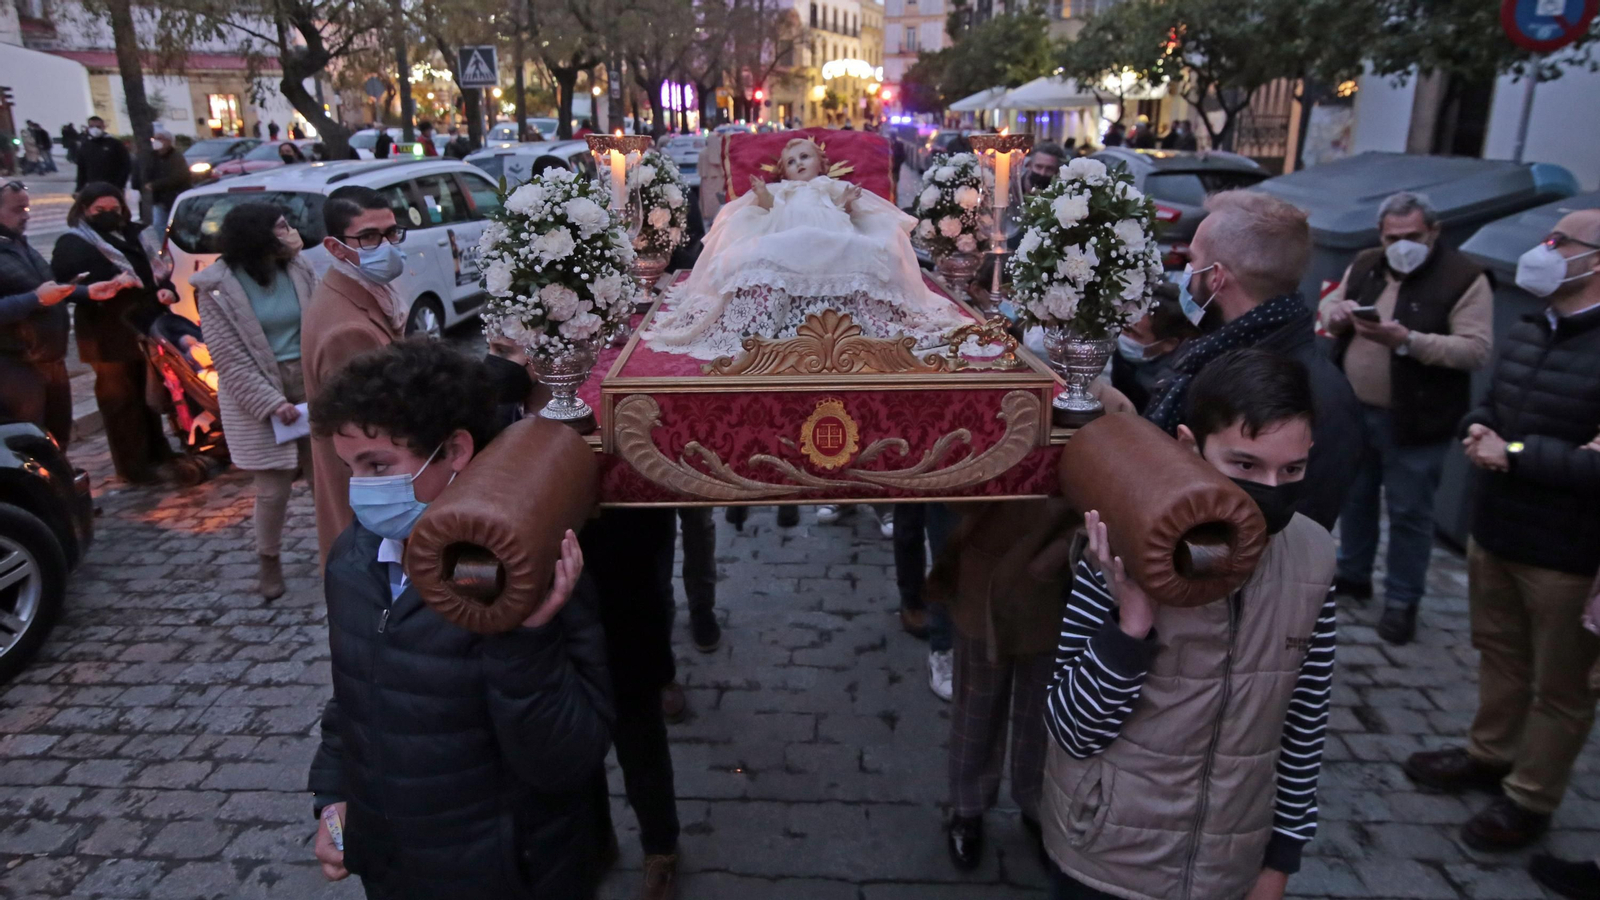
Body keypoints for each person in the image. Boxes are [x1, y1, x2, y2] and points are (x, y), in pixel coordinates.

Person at [306, 340, 612, 899]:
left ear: (455, 451)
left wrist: (527, 638)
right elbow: (354, 695)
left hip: (507, 872)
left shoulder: (522, 564)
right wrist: (334, 802)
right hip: (397, 870)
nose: (360, 490)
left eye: (377, 466)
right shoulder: (354, 558)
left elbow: (567, 762)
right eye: (349, 468)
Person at [1044, 348, 1336, 900]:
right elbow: (1070, 727)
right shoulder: (1123, 548)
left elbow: (1304, 726)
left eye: (1292, 470)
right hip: (1109, 860)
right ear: (1188, 447)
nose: (1272, 488)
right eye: (1245, 466)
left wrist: (1279, 862)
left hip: (1227, 868)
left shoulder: (1313, 558)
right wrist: (1130, 627)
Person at [1402, 208, 1600, 852]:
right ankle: (1489, 755)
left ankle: (1530, 798)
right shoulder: (1530, 326)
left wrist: (1513, 453)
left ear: (1594, 261)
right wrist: (1480, 429)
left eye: (1559, 241)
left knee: (1561, 686)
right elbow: (1492, 402)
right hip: (1498, 528)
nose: (1544, 251)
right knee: (1501, 655)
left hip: (1566, 550)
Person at [1319, 191, 1492, 643]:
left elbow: (1475, 349)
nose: (1402, 245)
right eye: (1393, 236)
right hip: (1356, 408)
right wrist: (1335, 313)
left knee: (1409, 511)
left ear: (1432, 232)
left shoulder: (1464, 277)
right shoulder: (1367, 263)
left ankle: (1402, 600)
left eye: (1412, 235)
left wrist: (1408, 340)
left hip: (1418, 416)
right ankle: (1354, 574)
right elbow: (1330, 304)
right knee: (1355, 498)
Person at [1143, 189, 1363, 531]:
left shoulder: (1315, 394)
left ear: (1216, 277)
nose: (1186, 272)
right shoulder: (1209, 351)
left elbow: (1295, 540)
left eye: (1193, 260)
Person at [645, 137, 970, 360]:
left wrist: (846, 202)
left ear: (821, 162)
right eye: (791, 161)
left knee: (855, 247)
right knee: (770, 248)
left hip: (833, 236)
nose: (799, 164)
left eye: (805, 157)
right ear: (783, 171)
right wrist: (763, 195)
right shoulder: (783, 191)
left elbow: (847, 213)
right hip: (788, 236)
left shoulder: (831, 187)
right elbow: (768, 210)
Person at [931, 499, 1075, 870]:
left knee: (1041, 709)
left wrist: (1063, 550)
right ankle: (968, 806)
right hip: (985, 561)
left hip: (1057, 568)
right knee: (976, 704)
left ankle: (1036, 803)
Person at [192, 202, 316, 600]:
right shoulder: (216, 287)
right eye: (281, 226)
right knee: (273, 489)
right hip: (261, 388)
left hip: (309, 382)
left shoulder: (297, 267)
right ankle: (269, 561)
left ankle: (342, 552)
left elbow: (318, 321)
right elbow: (228, 356)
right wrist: (269, 401)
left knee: (328, 479)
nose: (289, 231)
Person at [580, 508, 685, 900]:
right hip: (555, 586)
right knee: (571, 737)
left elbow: (652, 521)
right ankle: (596, 838)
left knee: (640, 736)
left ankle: (661, 847)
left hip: (625, 586)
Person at [302, 186, 409, 561]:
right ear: (335, 247)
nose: (386, 245)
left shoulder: (364, 291)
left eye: (391, 232)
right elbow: (372, 434)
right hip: (371, 503)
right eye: (369, 237)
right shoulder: (347, 329)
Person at [51, 183, 176, 483]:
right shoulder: (74, 242)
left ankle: (159, 452)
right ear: (84, 210)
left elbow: (157, 273)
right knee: (121, 401)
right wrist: (99, 289)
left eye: (114, 209)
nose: (109, 215)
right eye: (100, 211)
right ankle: (134, 466)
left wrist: (166, 291)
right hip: (106, 332)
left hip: (144, 325)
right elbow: (65, 288)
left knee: (148, 395)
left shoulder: (134, 233)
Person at [0, 181, 127, 443]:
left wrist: (85, 292)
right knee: (31, 443)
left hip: (49, 359)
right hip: (16, 366)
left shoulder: (17, 243)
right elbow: (34, 296)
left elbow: (46, 288)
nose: (26, 215)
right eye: (18, 209)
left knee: (57, 439)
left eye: (27, 207)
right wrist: (34, 299)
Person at [1109, 283, 1199, 414]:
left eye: (1130, 331)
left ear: (1168, 344)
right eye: (1120, 322)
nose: (1119, 333)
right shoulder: (1122, 360)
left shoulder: (1168, 391)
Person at [142, 129, 191, 238]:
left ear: (168, 141)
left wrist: (156, 185)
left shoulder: (176, 157)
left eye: (159, 139)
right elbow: (145, 172)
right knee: (158, 225)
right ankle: (165, 248)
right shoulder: (152, 156)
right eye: (154, 139)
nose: (156, 141)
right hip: (159, 198)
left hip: (175, 196)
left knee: (179, 225)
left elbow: (179, 177)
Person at [74, 117, 131, 194]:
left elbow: (125, 165)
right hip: (92, 187)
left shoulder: (114, 144)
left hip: (112, 186)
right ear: (88, 128)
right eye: (92, 127)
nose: (95, 129)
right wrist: (79, 188)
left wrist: (120, 185)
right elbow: (81, 168)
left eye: (98, 127)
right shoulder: (85, 146)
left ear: (103, 127)